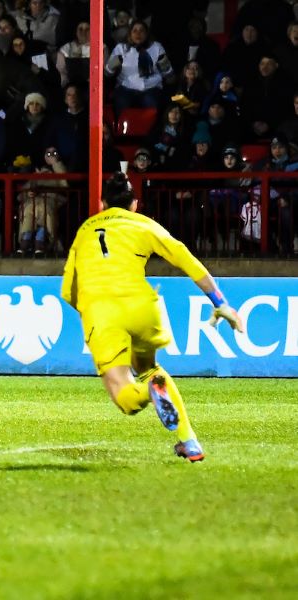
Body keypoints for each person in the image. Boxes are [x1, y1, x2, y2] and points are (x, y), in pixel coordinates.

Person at [60, 171, 244, 462]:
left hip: (102, 312)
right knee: (150, 369)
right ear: (134, 204)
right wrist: (220, 302)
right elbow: (184, 257)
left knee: (126, 398)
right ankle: (190, 442)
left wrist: (94, 313)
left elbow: (68, 292)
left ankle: (149, 392)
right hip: (143, 305)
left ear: (103, 202)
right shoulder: (143, 224)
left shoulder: (85, 231)